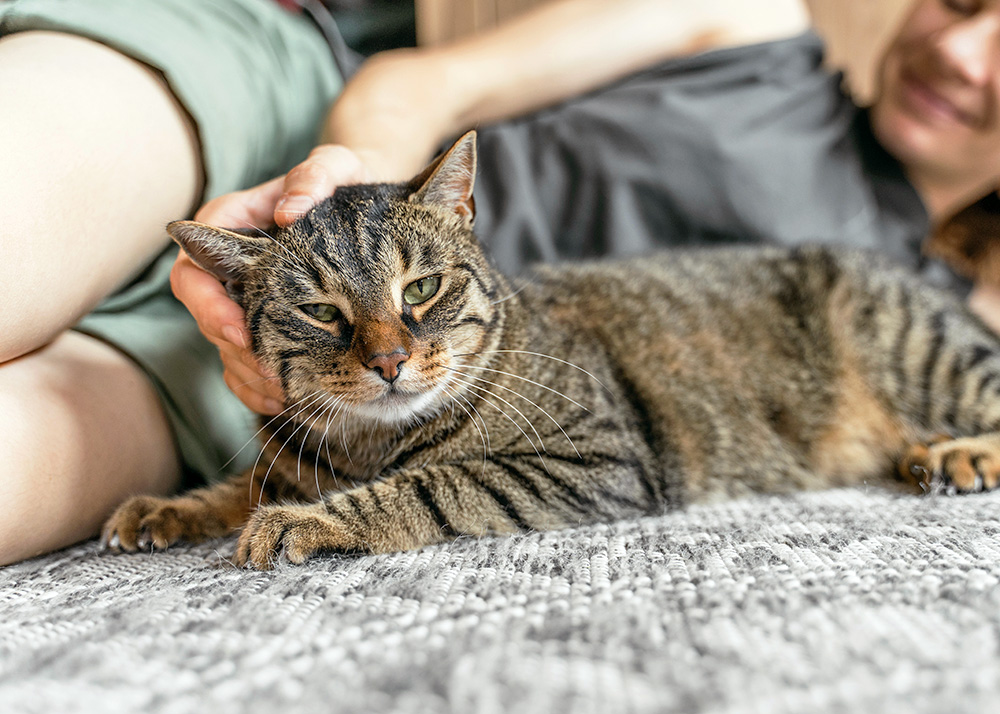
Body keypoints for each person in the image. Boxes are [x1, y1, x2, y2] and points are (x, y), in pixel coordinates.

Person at [1, 0, 998, 565]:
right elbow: (417, 89)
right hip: (286, 140)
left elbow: (608, 470)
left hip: (291, 390)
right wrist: (343, 198)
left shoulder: (924, 301)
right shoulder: (750, 19)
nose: (961, 54)